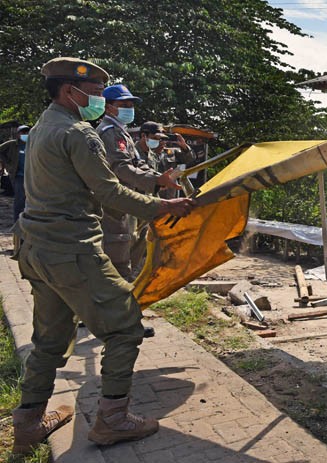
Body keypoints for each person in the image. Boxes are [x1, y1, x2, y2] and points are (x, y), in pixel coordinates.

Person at [10, 57, 195, 455]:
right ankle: (112, 420)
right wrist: (164, 207)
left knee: (49, 341)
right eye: (94, 95)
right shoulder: (80, 133)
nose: (99, 102)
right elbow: (109, 192)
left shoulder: (43, 126)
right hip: (71, 249)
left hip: (35, 247)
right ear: (69, 91)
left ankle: (26, 425)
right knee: (126, 327)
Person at [97, 86, 181, 281]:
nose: (129, 108)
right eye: (123, 104)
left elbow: (138, 163)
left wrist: (158, 180)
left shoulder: (121, 132)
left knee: (134, 243)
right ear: (109, 107)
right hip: (114, 202)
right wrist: (155, 180)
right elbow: (121, 167)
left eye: (131, 104)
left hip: (128, 201)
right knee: (116, 255)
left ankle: (124, 288)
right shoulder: (109, 132)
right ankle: (115, 298)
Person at [0, 125, 31, 221]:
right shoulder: (13, 144)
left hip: (31, 176)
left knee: (30, 200)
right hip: (18, 176)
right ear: (18, 134)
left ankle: (28, 221)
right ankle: (17, 222)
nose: (25, 134)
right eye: (23, 132)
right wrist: (7, 162)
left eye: (27, 132)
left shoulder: (33, 143)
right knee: (19, 200)